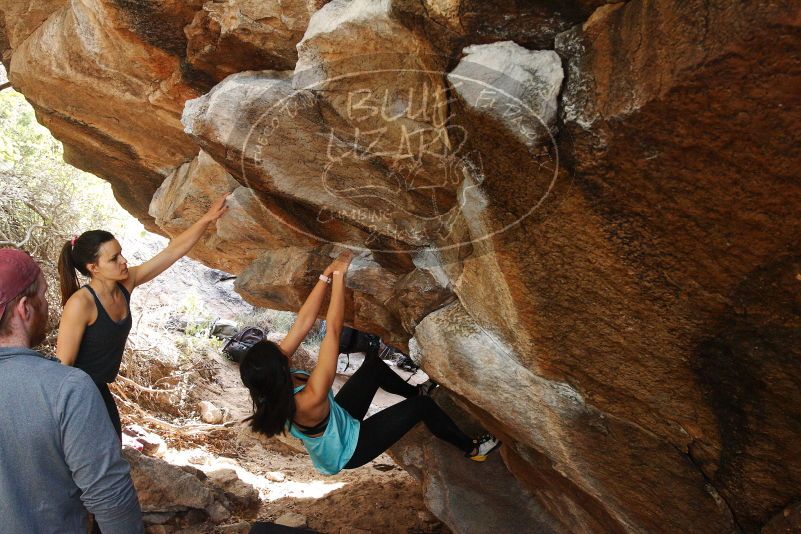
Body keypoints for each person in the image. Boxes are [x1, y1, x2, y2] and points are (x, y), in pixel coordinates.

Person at [239, 250, 500, 475]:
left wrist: (326, 275)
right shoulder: (309, 398)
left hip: (337, 422)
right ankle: (473, 449)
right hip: (349, 450)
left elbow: (303, 323)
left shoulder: (268, 382)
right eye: (277, 348)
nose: (280, 345)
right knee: (422, 407)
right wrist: (341, 276)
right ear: (279, 366)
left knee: (373, 366)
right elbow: (332, 330)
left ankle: (414, 390)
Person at [55, 195, 229, 437]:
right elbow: (63, 367)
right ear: (93, 268)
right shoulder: (81, 304)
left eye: (121, 253)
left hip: (100, 389)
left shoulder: (126, 282)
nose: (124, 261)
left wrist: (207, 218)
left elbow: (172, 252)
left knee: (112, 453)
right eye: (114, 258)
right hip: (79, 395)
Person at [0, 248, 144, 533]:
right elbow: (110, 499)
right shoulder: (67, 388)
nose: (47, 304)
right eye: (42, 295)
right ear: (25, 308)